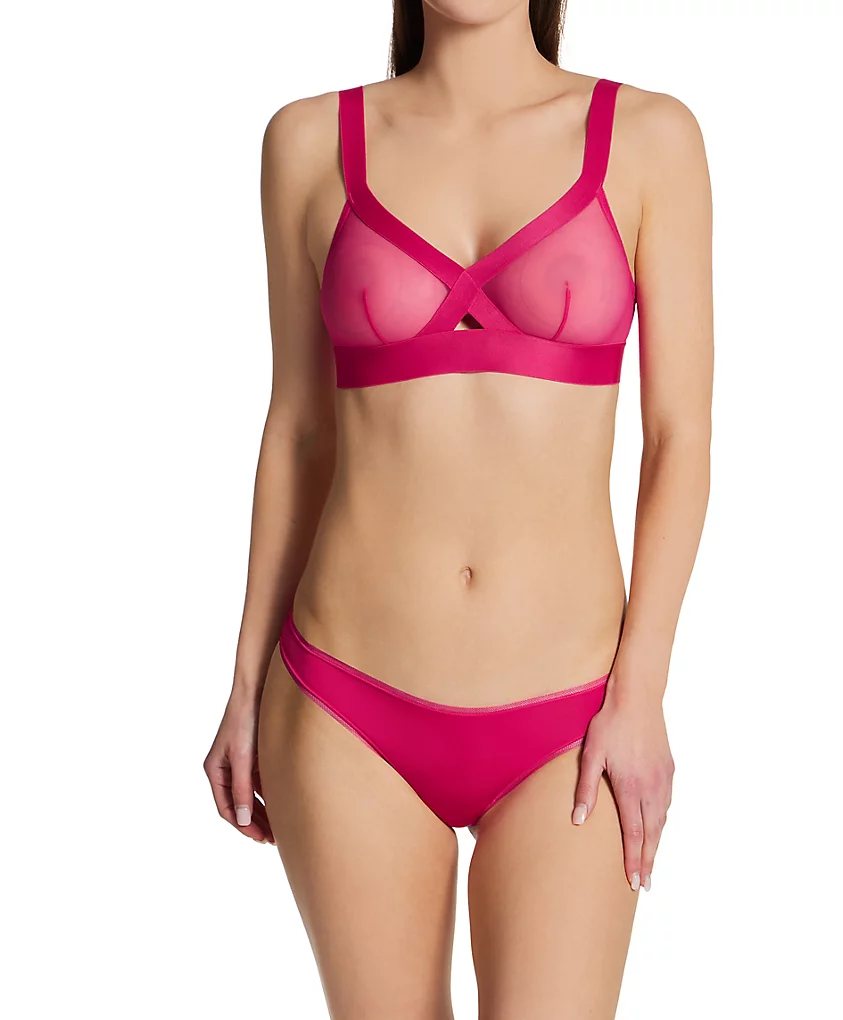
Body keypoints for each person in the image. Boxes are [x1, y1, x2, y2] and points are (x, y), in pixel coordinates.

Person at [204, 1, 712, 1015]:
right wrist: (245, 681)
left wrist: (641, 693)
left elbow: (678, 442)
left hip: (571, 717)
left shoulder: (649, 137)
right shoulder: (306, 142)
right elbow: (298, 432)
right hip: (344, 702)